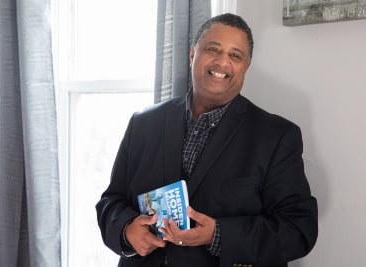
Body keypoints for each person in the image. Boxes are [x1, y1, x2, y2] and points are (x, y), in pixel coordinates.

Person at [96, 13, 318, 267]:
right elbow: (110, 202)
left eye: (235, 55)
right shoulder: (143, 123)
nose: (222, 61)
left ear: (246, 66)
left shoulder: (277, 136)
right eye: (213, 49)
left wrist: (217, 234)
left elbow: (299, 230)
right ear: (193, 53)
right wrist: (126, 229)